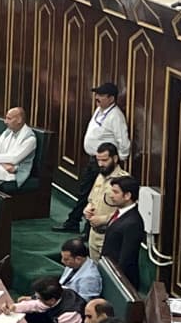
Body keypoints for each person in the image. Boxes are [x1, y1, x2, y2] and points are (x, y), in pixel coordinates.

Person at [56, 83, 132, 233]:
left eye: (101, 95)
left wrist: (121, 159)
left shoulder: (116, 116)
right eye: (96, 95)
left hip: (106, 163)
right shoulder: (99, 110)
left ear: (111, 98)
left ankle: (89, 229)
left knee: (97, 196)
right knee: (85, 192)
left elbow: (123, 140)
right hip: (94, 160)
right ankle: (73, 222)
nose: (97, 98)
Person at [81, 144, 129, 260]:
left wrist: (103, 219)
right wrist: (87, 209)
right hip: (93, 234)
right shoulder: (100, 176)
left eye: (104, 160)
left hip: (110, 236)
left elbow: (127, 212)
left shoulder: (124, 180)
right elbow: (92, 199)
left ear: (115, 159)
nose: (100, 164)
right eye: (98, 160)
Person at [99, 175, 144, 289]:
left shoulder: (133, 223)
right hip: (109, 270)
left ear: (127, 195)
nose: (111, 195)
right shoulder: (120, 213)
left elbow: (127, 257)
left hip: (121, 281)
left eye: (115, 192)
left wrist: (115, 280)